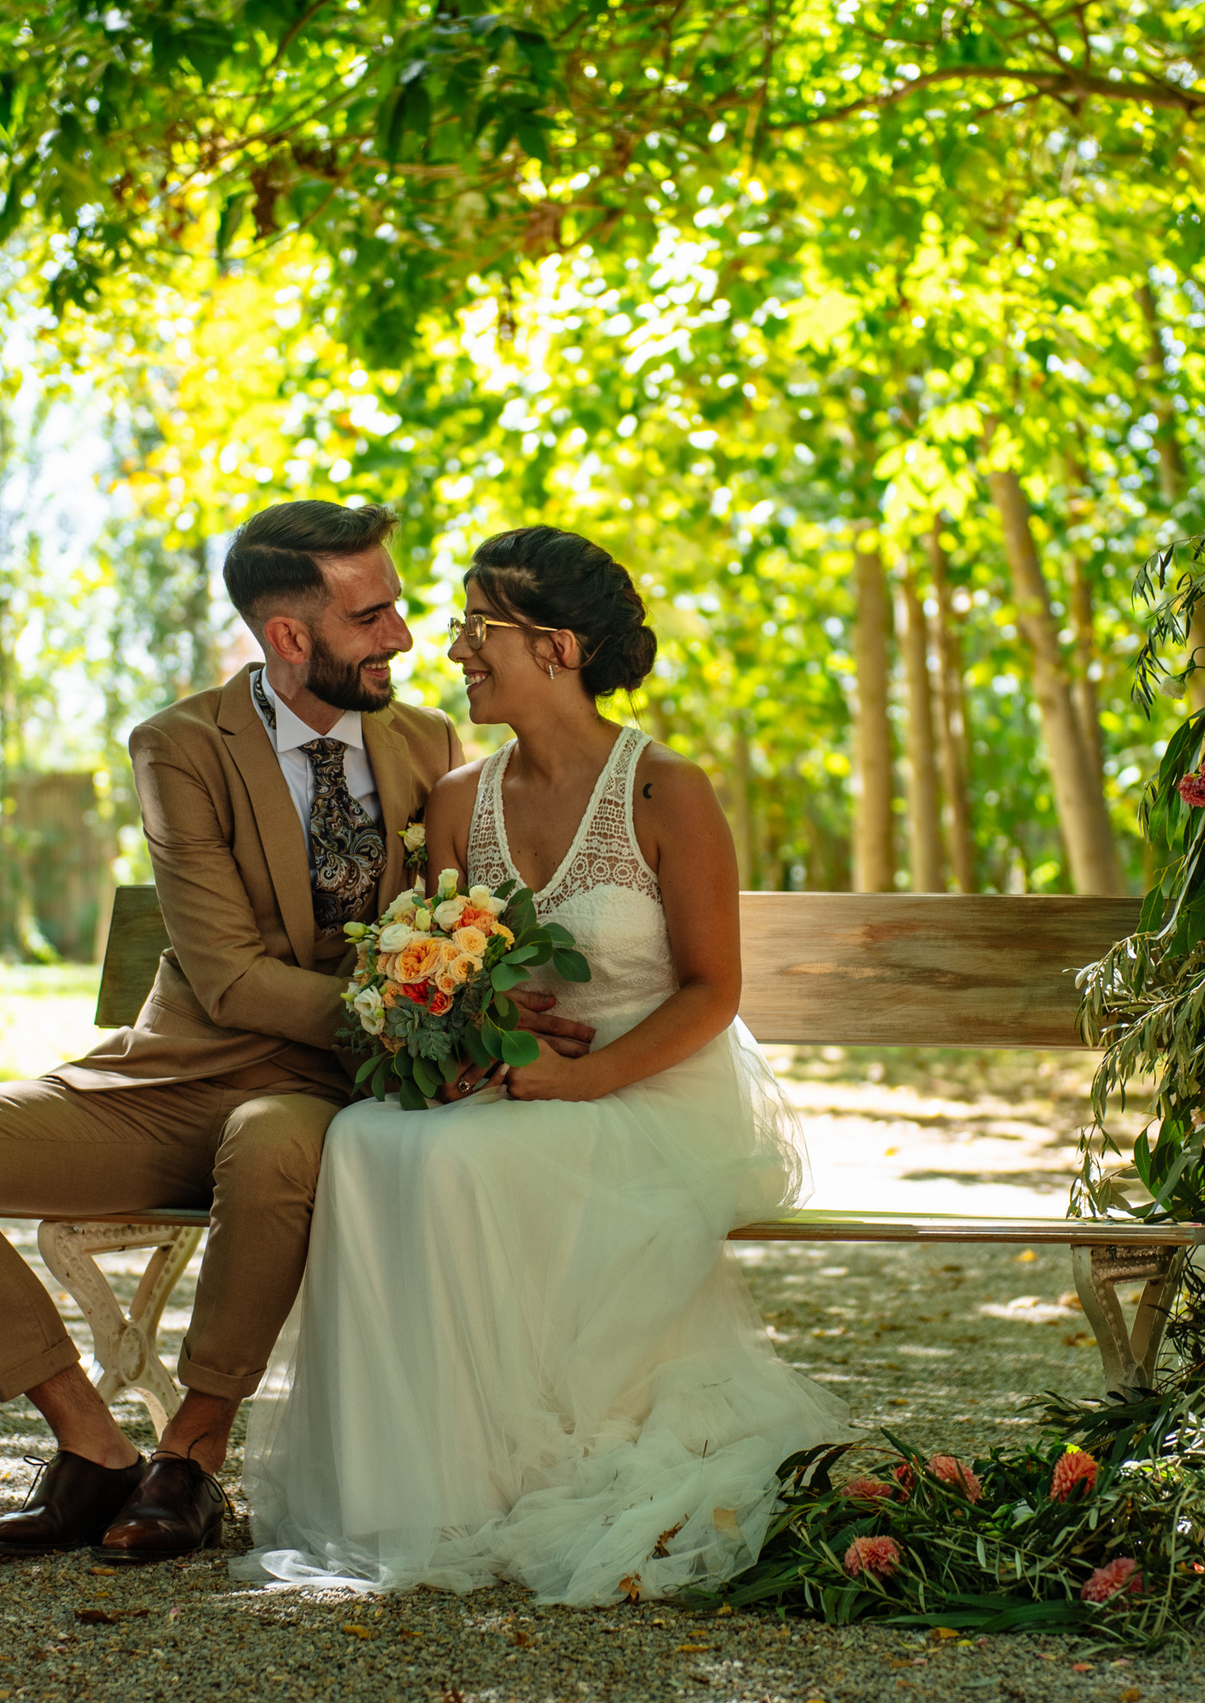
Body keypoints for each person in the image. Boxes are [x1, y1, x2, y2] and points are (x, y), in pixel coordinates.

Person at [0, 500, 594, 1563]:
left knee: (272, 1136)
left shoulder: (429, 742)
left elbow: (469, 913)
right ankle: (93, 1447)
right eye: (372, 613)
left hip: (334, 1094)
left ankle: (189, 1459)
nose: (403, 636)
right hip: (177, 1080)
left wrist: (478, 1003)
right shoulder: (181, 747)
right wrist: (421, 1005)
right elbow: (232, 979)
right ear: (290, 635)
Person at [238, 525, 845, 1604]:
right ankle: (411, 1487)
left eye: (481, 628)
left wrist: (587, 1077)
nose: (456, 648)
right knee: (366, 1136)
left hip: (648, 1085)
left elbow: (713, 990)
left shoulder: (667, 789)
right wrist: (468, 1032)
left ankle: (509, 1473)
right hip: (512, 1083)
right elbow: (447, 962)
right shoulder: (460, 800)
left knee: (450, 1164)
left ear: (557, 646)